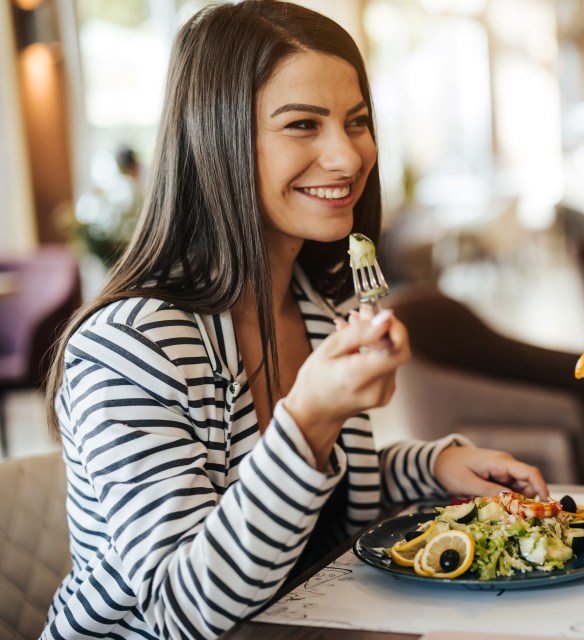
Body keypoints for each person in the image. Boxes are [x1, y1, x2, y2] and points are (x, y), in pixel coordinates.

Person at [42, 2, 548, 638]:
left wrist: (427, 466)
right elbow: (183, 608)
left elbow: (307, 490)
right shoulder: (131, 346)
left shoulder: (319, 304)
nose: (346, 157)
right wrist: (309, 418)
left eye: (356, 121)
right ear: (215, 140)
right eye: (303, 124)